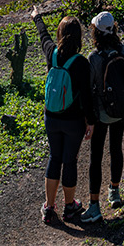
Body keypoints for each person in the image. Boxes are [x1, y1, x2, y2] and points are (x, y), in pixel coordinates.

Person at [33, 12, 95, 225]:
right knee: (69, 161)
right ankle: (70, 207)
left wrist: (37, 17)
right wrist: (91, 122)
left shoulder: (52, 54)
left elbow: (44, 37)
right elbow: (87, 97)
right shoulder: (81, 63)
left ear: (59, 33)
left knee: (54, 157)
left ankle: (49, 208)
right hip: (73, 121)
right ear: (79, 38)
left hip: (51, 117)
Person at [83, 11, 124, 223]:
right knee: (116, 148)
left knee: (96, 157)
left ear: (96, 32)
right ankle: (114, 191)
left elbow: (89, 89)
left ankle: (94, 205)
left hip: (102, 113)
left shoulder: (94, 57)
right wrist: (121, 91)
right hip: (123, 109)